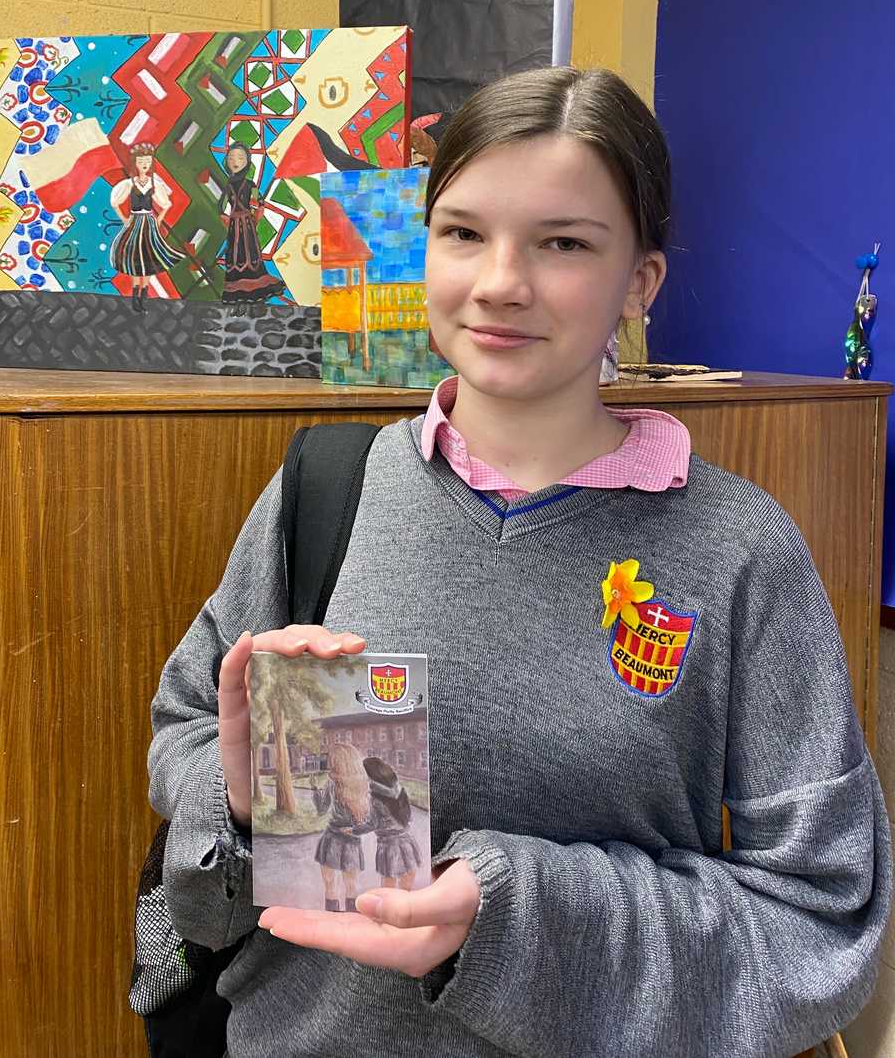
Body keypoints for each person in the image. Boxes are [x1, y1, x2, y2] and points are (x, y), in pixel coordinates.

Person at [147, 66, 891, 1058]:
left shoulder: (738, 550)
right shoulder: (326, 489)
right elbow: (188, 731)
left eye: (563, 243)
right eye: (463, 232)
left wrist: (511, 916)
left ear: (640, 281)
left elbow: (818, 920)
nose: (500, 281)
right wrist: (242, 795)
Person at [109, 143, 185, 309]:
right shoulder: (129, 184)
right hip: (135, 222)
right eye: (141, 161)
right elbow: (115, 202)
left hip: (149, 224)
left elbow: (166, 205)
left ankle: (144, 294)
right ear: (135, 163)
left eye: (148, 161)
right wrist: (124, 219)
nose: (144, 164)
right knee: (134, 257)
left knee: (149, 256)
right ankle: (135, 294)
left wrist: (158, 220)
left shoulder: (154, 184)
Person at [218, 144, 288, 302]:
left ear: (247, 162)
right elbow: (220, 206)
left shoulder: (251, 185)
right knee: (235, 254)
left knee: (251, 253)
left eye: (240, 158)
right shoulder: (228, 186)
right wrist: (226, 220)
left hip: (247, 224)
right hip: (234, 226)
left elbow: (259, 204)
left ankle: (255, 289)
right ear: (226, 161)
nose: (235, 162)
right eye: (231, 158)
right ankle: (237, 291)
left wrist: (255, 217)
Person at [310, 745, 374, 911]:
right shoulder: (363, 785)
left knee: (330, 885)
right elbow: (369, 820)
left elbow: (321, 809)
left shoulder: (333, 784)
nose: (330, 763)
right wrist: (354, 830)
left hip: (332, 838)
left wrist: (315, 789)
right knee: (351, 886)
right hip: (352, 841)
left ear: (338, 762)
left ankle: (331, 918)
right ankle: (351, 918)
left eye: (332, 760)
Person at [363, 756, 423, 891]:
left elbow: (372, 823)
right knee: (407, 881)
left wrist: (354, 830)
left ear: (370, 776)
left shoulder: (373, 798)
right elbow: (409, 817)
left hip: (388, 845)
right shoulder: (399, 790)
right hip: (407, 840)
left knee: (388, 884)